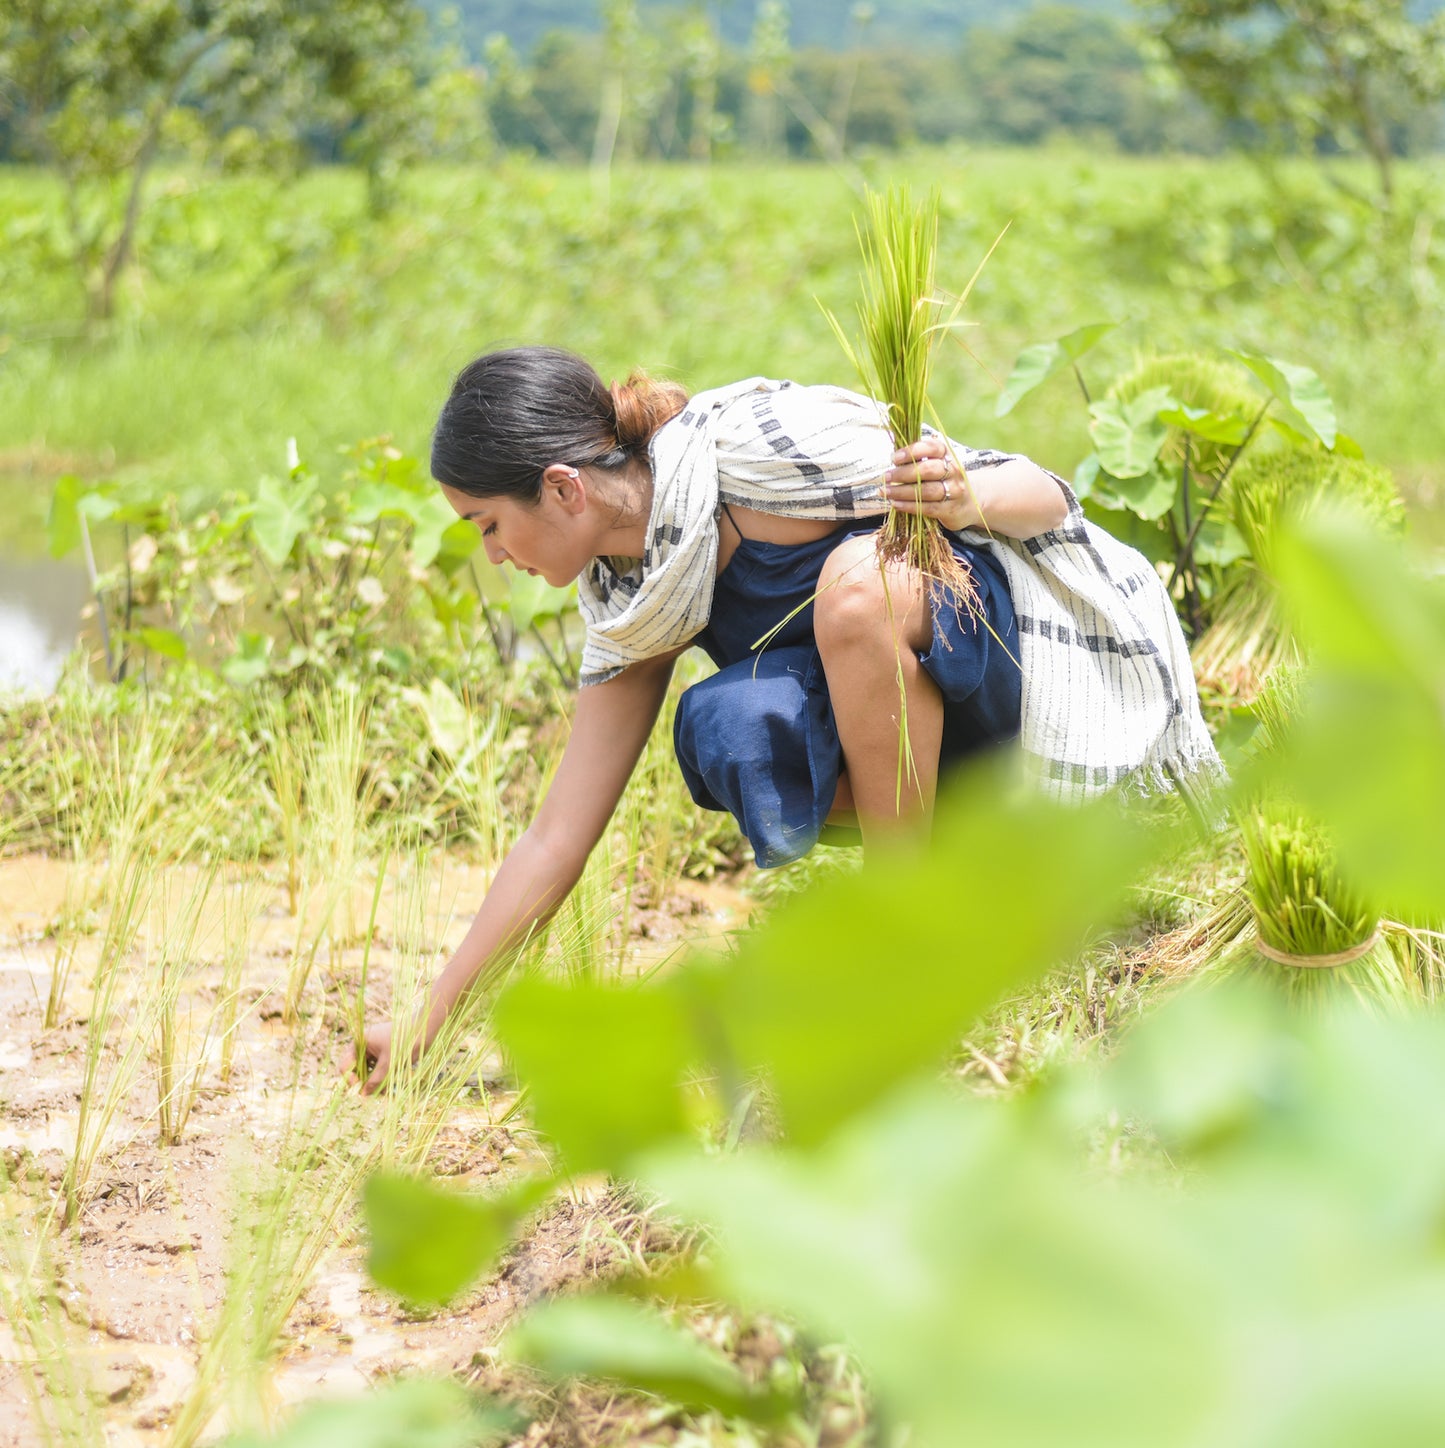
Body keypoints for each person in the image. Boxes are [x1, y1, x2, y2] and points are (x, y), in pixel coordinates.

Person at [350, 346, 1218, 1091]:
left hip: (1010, 687)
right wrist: (431, 1022)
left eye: (489, 525)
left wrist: (960, 493)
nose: (494, 555)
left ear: (563, 487)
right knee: (726, 720)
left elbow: (1042, 493)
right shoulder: (634, 602)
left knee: (854, 592)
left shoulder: (766, 450)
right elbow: (555, 838)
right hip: (931, 765)